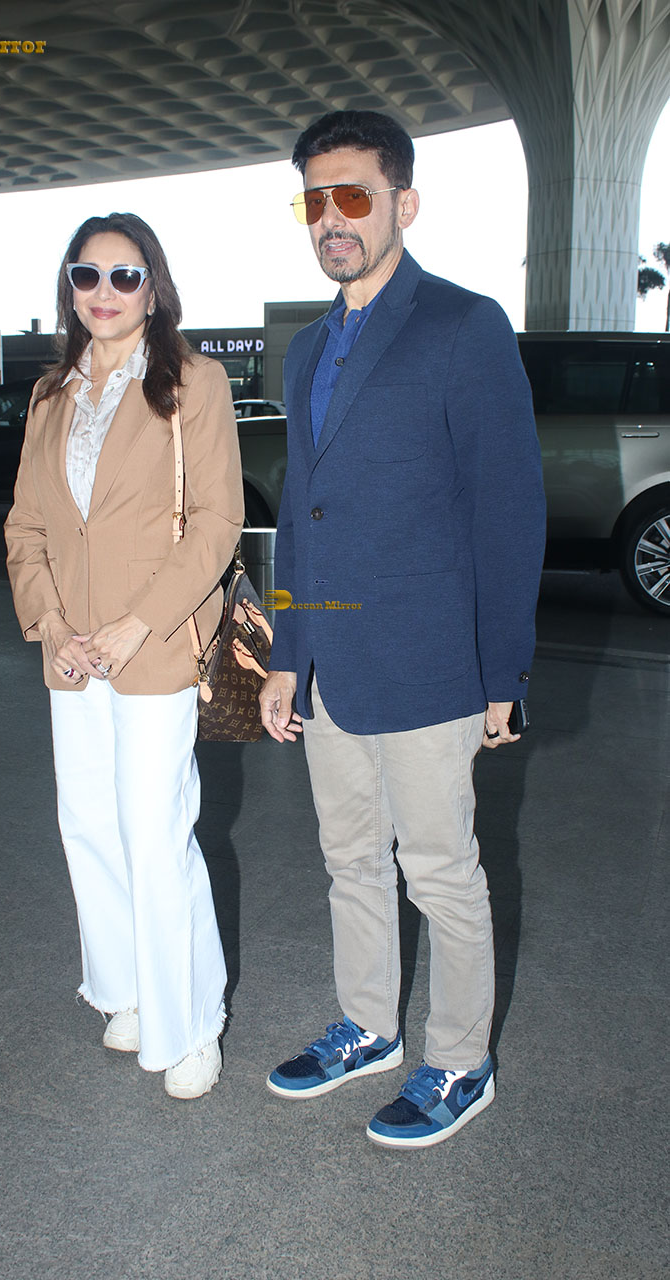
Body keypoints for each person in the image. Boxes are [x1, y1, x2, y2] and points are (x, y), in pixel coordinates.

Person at [259, 111, 546, 1147]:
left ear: (402, 204)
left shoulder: (462, 326)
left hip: (428, 661)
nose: (330, 218)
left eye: (353, 195)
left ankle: (461, 1061)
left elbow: (507, 508)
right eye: (314, 199)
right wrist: (285, 656)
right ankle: (368, 1027)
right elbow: (300, 514)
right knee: (349, 858)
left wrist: (503, 672)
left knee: (439, 871)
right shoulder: (305, 348)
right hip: (330, 660)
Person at [5, 213, 243, 1099]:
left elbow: (217, 520)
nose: (103, 292)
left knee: (154, 830)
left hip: (153, 644)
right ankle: (126, 989)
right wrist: (50, 624)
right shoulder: (49, 395)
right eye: (87, 274)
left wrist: (138, 623)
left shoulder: (192, 382)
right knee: (89, 824)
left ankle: (191, 1023)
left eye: (124, 275)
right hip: (71, 651)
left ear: (153, 288)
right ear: (68, 287)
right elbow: (27, 526)